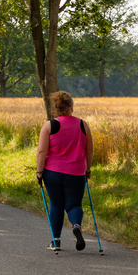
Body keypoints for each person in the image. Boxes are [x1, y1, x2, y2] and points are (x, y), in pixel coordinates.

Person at [35, 91, 94, 251]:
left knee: (56, 204)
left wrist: (39, 172)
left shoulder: (49, 126)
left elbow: (41, 151)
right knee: (74, 204)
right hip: (76, 173)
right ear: (71, 107)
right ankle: (76, 226)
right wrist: (88, 169)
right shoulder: (83, 125)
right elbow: (89, 150)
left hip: (53, 172)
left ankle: (56, 241)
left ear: (55, 108)